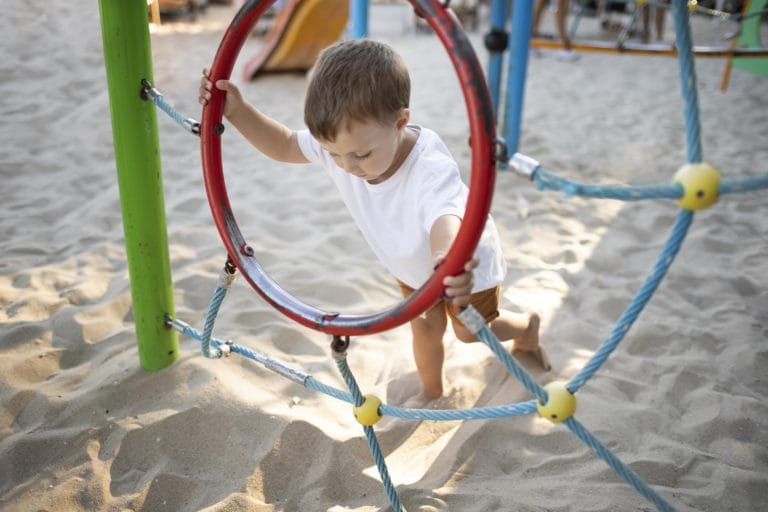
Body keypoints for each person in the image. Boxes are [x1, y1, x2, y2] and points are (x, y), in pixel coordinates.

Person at [198, 39, 550, 400]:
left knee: (469, 331)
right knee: (425, 329)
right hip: (411, 264)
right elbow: (285, 144)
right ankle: (433, 394)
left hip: (460, 262)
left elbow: (444, 216)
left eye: (361, 155)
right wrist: (238, 112)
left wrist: (447, 259)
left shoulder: (429, 167)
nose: (346, 166)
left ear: (400, 122)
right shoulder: (344, 140)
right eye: (334, 154)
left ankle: (528, 326)